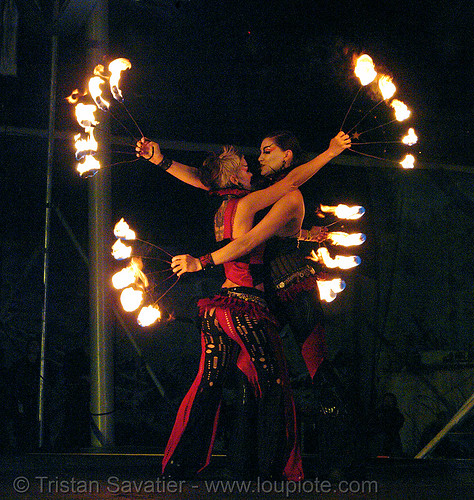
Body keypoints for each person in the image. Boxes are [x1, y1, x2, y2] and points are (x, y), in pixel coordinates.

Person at [136, 132, 350, 479]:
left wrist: (160, 161)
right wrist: (330, 152)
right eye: (247, 165)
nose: (254, 163)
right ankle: (274, 466)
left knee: (213, 383)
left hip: (221, 306)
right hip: (247, 306)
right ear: (234, 179)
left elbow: (203, 179)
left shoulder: (226, 203)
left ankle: (185, 464)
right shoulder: (250, 202)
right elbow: (258, 228)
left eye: (264, 154)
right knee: (272, 384)